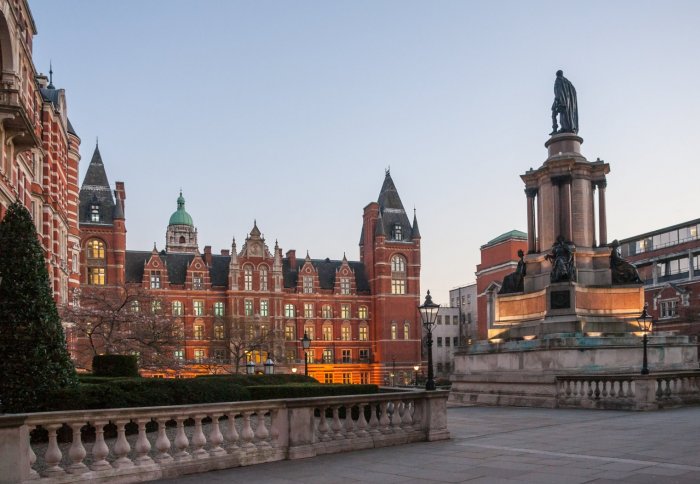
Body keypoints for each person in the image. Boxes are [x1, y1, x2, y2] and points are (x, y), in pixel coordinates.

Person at [551, 70, 579, 135]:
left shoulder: (559, 80)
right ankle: (564, 128)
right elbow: (573, 91)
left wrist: (560, 101)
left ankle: (560, 128)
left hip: (561, 101)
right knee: (565, 114)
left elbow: (558, 91)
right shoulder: (568, 82)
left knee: (557, 114)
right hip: (566, 101)